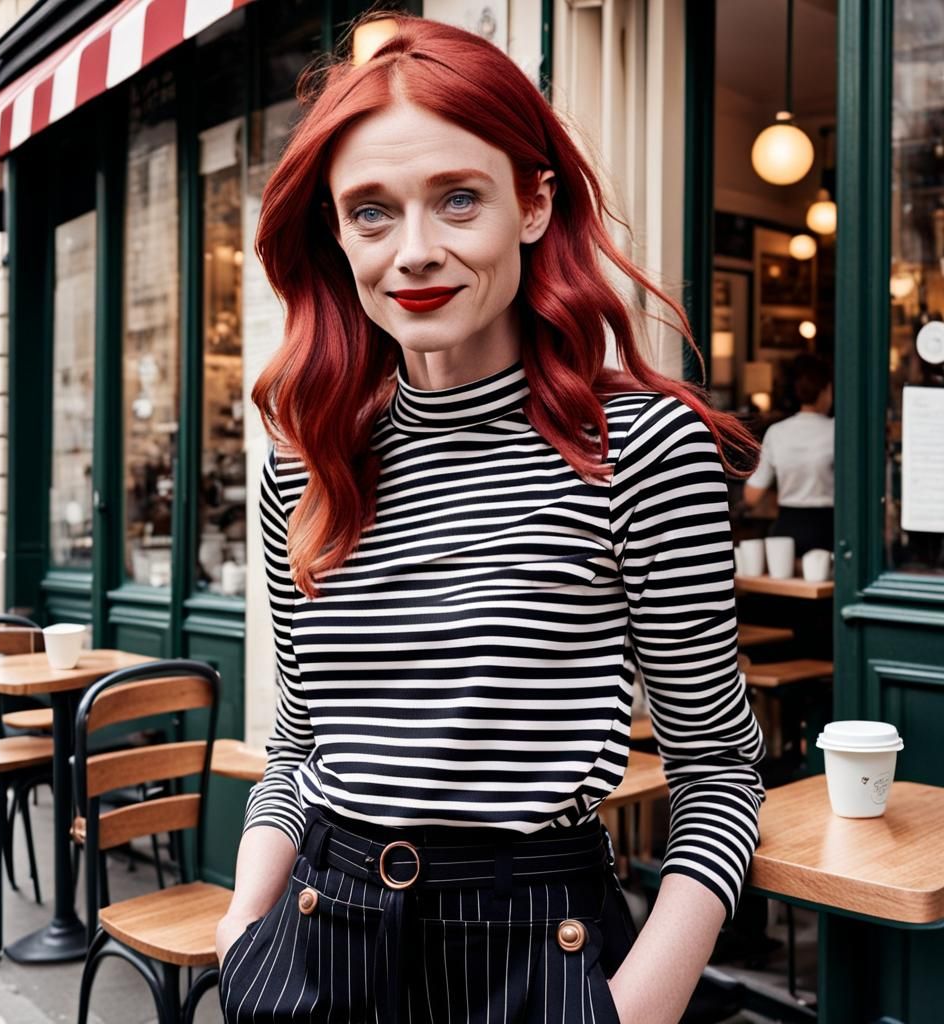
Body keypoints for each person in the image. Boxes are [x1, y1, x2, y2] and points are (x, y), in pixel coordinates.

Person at [216, 13, 767, 1023]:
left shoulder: (638, 449)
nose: (415, 251)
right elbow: (298, 744)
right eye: (371, 212)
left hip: (531, 955)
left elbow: (718, 768)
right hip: (313, 939)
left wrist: (632, 1007)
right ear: (334, 236)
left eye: (457, 199)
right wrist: (243, 931)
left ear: (530, 203)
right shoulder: (306, 463)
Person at [744, 354, 835, 555]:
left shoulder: (777, 432)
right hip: (829, 531)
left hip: (786, 531)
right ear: (825, 391)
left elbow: (751, 496)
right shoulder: (838, 431)